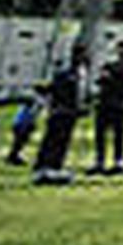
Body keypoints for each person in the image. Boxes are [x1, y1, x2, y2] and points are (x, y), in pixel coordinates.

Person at [33, 43, 89, 186]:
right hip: (61, 112)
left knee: (62, 140)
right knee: (54, 140)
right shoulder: (66, 74)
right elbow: (59, 92)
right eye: (82, 55)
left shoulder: (79, 74)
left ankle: (53, 166)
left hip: (69, 113)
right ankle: (47, 167)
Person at [91, 39, 123, 175]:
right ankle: (99, 161)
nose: (121, 52)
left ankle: (118, 162)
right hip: (104, 103)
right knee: (100, 134)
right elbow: (100, 81)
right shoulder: (109, 65)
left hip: (120, 105)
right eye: (119, 49)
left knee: (118, 135)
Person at [6, 91, 42, 166]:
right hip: (21, 125)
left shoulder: (27, 106)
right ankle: (12, 158)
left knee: (19, 143)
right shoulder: (31, 105)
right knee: (19, 143)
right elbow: (31, 115)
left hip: (20, 124)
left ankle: (14, 157)